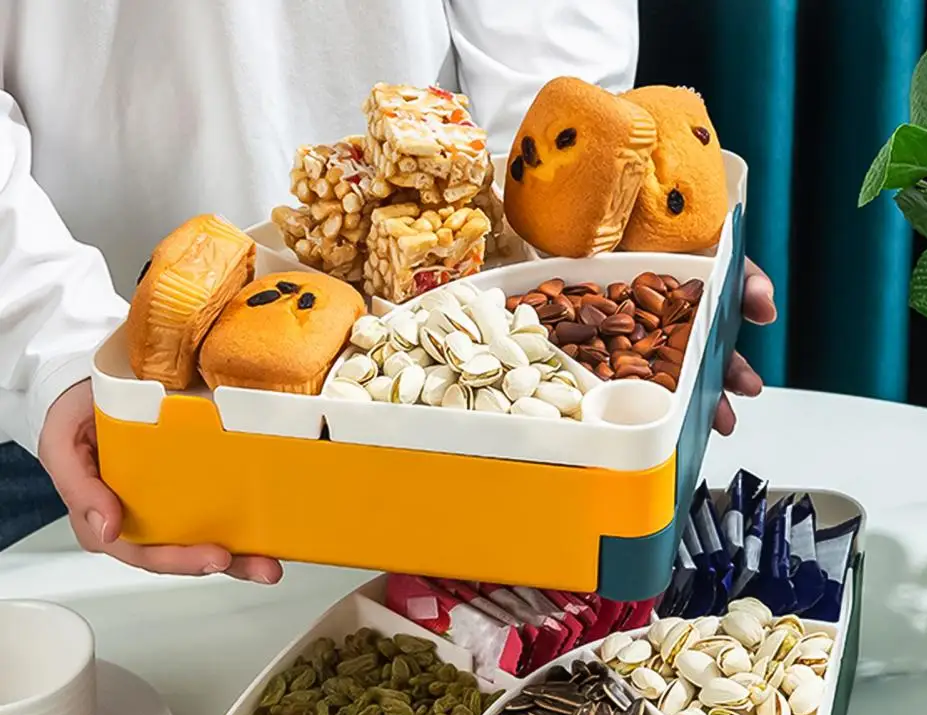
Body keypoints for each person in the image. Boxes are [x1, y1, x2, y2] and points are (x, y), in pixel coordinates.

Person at [0, 0, 774, 580]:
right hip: (93, 419)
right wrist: (52, 345)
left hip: (451, 432)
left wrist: (607, 246)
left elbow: (550, 56)